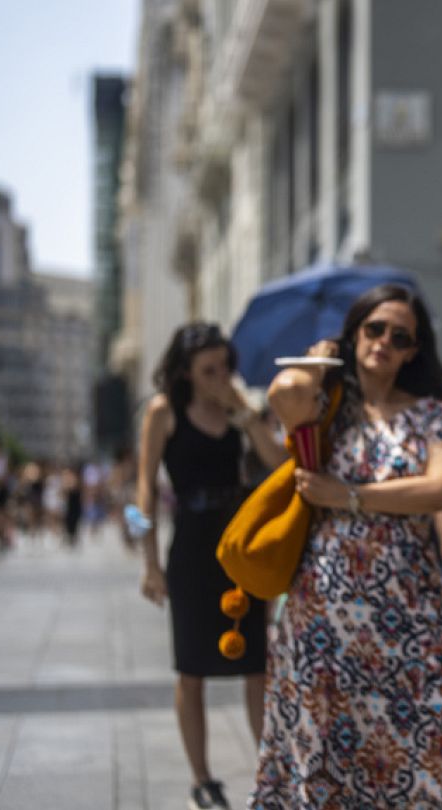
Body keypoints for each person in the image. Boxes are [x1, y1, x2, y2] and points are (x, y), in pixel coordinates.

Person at [252, 284, 442, 808]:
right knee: (326, 752)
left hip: (409, 607)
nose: (384, 341)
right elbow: (282, 398)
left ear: (413, 349)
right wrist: (319, 366)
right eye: (373, 329)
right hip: (323, 613)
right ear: (354, 335)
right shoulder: (325, 406)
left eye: (400, 335)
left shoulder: (432, 413)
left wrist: (349, 495)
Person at [135, 322, 289, 810]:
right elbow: (143, 492)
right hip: (192, 545)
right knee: (192, 668)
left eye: (225, 366)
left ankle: (270, 773)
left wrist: (245, 415)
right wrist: (150, 564)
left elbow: (280, 463)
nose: (221, 376)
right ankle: (202, 778)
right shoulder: (164, 411)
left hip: (239, 543)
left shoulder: (239, 409)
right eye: (209, 369)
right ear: (186, 371)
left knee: (256, 664)